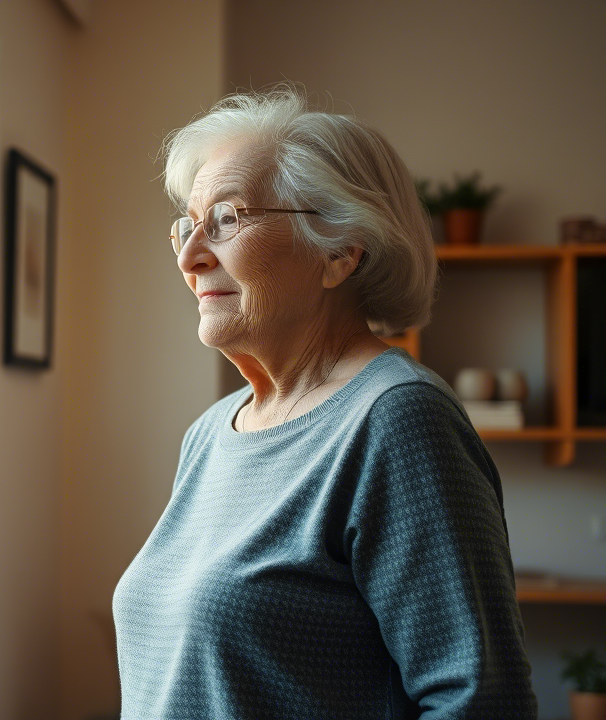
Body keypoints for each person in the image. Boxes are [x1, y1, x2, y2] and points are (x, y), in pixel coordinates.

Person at [112, 83, 538, 719]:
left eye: (226, 220)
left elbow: (479, 701)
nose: (192, 258)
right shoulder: (210, 433)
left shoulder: (398, 419)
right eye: (187, 228)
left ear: (340, 250)